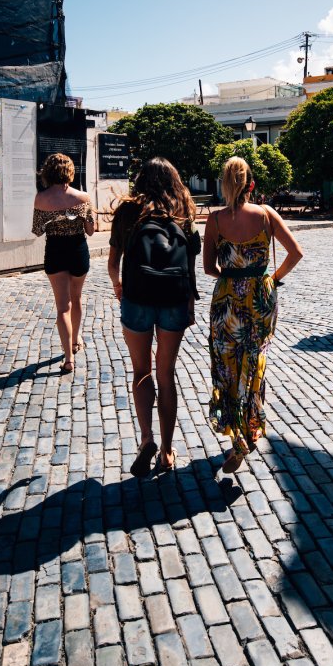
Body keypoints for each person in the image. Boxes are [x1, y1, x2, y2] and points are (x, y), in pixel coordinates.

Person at [205, 156, 303, 472]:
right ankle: (251, 427)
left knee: (226, 367)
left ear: (224, 184)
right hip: (261, 299)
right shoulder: (266, 216)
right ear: (252, 184)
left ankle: (238, 439)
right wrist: (269, 279)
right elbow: (295, 253)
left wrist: (232, 274)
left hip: (226, 301)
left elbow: (208, 267)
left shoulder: (215, 220)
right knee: (253, 363)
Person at [108, 157, 200, 476]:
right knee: (166, 374)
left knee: (140, 372)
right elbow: (189, 266)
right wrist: (189, 303)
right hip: (174, 299)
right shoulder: (183, 212)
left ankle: (146, 438)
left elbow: (111, 264)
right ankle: (166, 450)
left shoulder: (127, 212)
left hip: (137, 298)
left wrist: (120, 288)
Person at [31, 153, 95, 374]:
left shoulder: (40, 198)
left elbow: (38, 231)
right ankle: (76, 340)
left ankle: (68, 359)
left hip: (56, 251)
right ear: (70, 171)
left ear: (47, 172)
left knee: (62, 307)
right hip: (78, 250)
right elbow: (91, 230)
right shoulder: (83, 197)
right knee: (76, 299)